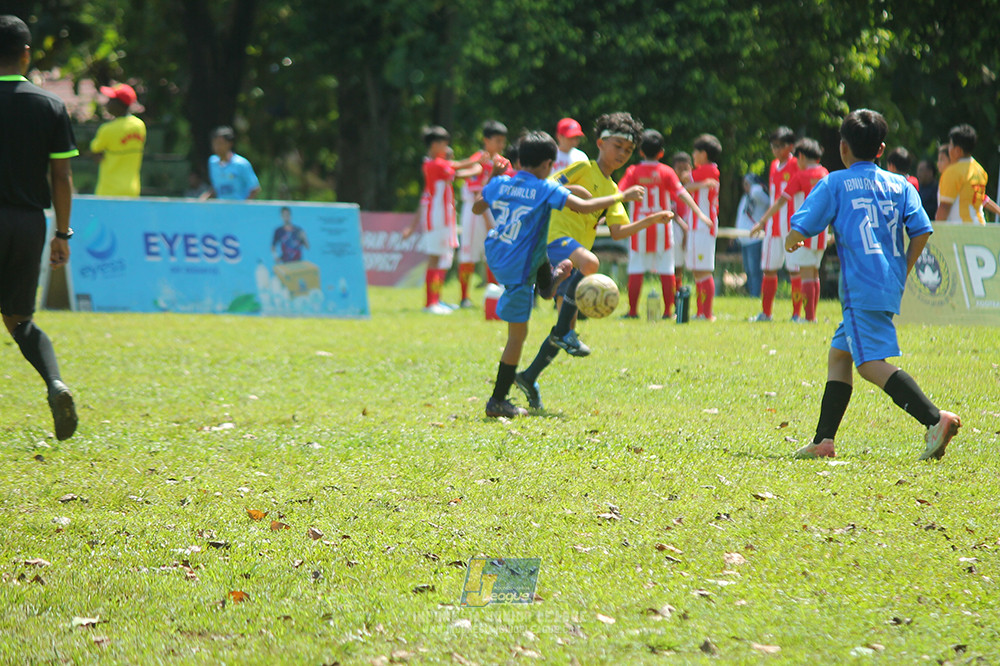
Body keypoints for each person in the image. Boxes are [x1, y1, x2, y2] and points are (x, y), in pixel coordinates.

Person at [785, 108, 960, 460]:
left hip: (860, 288)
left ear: (842, 147)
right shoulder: (901, 185)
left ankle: (934, 418)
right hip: (888, 283)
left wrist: (792, 240)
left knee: (868, 364)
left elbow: (801, 227)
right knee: (840, 354)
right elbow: (922, 229)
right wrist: (904, 267)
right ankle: (823, 440)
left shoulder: (835, 182)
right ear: (881, 149)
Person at [515, 112, 668, 411]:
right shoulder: (584, 167)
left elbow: (619, 231)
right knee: (591, 264)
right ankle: (561, 325)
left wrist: (651, 219)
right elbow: (548, 184)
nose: (622, 154)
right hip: (552, 239)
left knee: (564, 328)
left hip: (572, 261)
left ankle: (529, 376)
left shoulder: (614, 190)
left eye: (628, 150)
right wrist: (575, 192)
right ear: (600, 143)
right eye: (617, 146)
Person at [474, 131, 634, 417]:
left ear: (519, 160)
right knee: (517, 336)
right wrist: (622, 195)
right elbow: (584, 207)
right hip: (518, 265)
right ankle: (497, 401)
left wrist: (493, 177)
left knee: (541, 250)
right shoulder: (545, 188)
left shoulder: (501, 183)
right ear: (549, 164)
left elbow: (477, 207)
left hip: (498, 252)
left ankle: (552, 281)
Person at [0, 15, 79, 440]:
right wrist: (61, 234)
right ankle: (55, 382)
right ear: (26, 54)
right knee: (19, 319)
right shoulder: (49, 105)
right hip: (28, 223)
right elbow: (61, 176)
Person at [617, 130, 708, 318]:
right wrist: (699, 212)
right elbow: (682, 193)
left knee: (636, 268)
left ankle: (632, 311)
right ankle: (668, 311)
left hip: (639, 226)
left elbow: (619, 194)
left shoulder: (633, 171)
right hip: (663, 226)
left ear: (641, 152)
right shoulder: (666, 171)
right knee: (667, 269)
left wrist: (602, 213)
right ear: (661, 153)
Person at [403, 125, 481, 314]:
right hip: (436, 218)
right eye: (444, 143)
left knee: (442, 259)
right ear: (435, 144)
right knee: (435, 257)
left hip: (444, 218)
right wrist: (478, 161)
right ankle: (430, 303)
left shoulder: (436, 164)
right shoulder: (434, 164)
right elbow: (459, 167)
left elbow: (455, 170)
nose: (447, 147)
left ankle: (436, 300)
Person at [752, 138, 829, 322]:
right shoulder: (825, 174)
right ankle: (811, 315)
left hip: (805, 230)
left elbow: (781, 200)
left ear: (800, 156)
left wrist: (762, 221)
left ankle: (808, 318)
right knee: (814, 272)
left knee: (806, 273)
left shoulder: (801, 176)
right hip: (821, 231)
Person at [457, 120, 508, 308]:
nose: (501, 144)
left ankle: (491, 295)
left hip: (494, 211)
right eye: (497, 140)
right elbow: (475, 190)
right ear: (486, 140)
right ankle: (464, 297)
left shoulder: (501, 162)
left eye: (503, 141)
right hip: (475, 211)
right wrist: (486, 217)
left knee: (492, 253)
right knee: (468, 253)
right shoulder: (479, 159)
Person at [754, 126, 800, 322]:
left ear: (790, 146)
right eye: (773, 146)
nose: (775, 150)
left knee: (795, 270)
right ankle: (766, 312)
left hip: (791, 226)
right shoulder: (774, 165)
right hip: (773, 227)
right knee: (768, 269)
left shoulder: (797, 164)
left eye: (779, 146)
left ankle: (797, 314)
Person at [686, 134, 722, 320]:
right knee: (697, 270)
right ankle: (700, 311)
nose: (693, 155)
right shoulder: (705, 171)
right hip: (696, 225)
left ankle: (706, 313)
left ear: (704, 154)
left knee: (703, 269)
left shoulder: (706, 170)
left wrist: (689, 179)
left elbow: (683, 186)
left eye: (696, 151)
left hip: (703, 225)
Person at [90, 82, 145, 196]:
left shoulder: (107, 129)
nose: (107, 103)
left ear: (120, 104)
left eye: (111, 100)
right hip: (132, 189)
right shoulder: (139, 125)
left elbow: (95, 152)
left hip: (109, 190)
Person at [936, 124, 987, 225]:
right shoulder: (980, 170)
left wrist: (937, 231)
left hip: (961, 229)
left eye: (951, 145)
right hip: (980, 226)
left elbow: (944, 207)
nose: (949, 148)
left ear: (957, 150)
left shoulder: (952, 172)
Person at [203, 125, 260, 200]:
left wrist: (244, 205)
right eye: (214, 143)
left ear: (230, 144)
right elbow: (216, 188)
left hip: (239, 206)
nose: (217, 146)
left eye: (220, 143)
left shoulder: (241, 164)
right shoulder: (212, 162)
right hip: (221, 206)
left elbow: (254, 189)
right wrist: (202, 199)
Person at [734, 174, 769, 297]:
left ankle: (756, 295)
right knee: (748, 271)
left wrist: (754, 185)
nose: (745, 186)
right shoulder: (745, 197)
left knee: (755, 271)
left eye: (747, 183)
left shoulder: (758, 195)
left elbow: (759, 193)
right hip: (744, 239)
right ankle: (752, 294)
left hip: (755, 239)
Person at [670, 151, 694, 292]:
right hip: (678, 227)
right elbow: (672, 212)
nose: (683, 172)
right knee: (676, 264)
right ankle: (676, 292)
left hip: (693, 226)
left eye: (686, 168)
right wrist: (684, 228)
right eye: (679, 169)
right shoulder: (671, 188)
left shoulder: (694, 187)